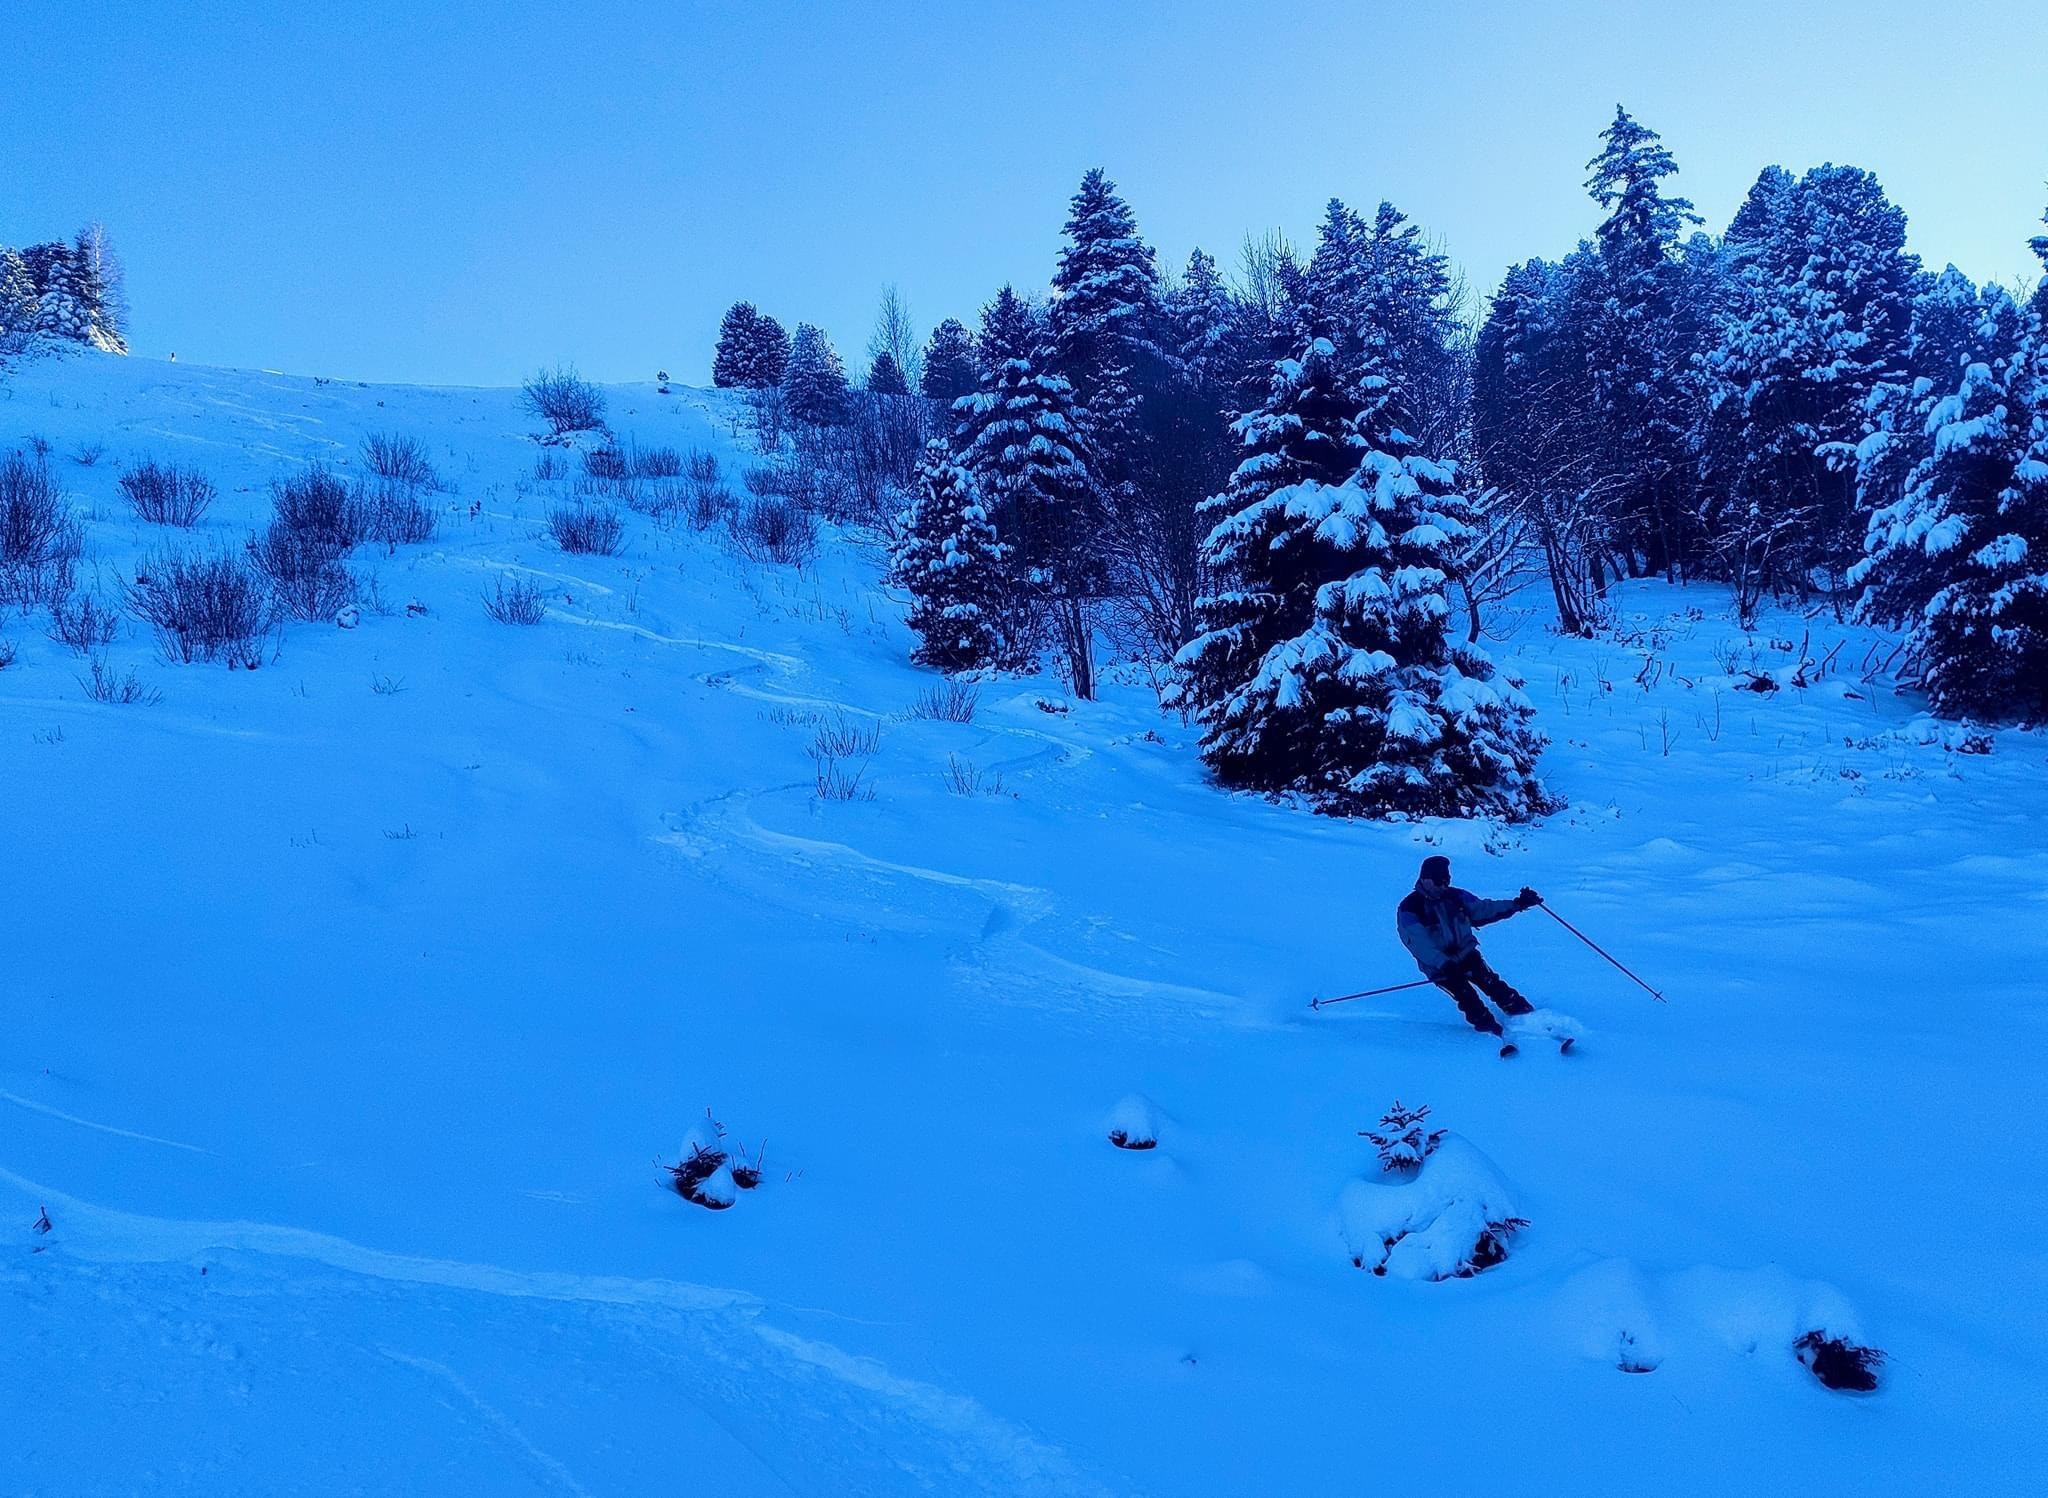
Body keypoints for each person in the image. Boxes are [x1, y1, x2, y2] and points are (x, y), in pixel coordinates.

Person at [1396, 854, 1544, 1054]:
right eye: (1439, 881)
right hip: (1441, 967)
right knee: (1466, 996)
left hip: (1466, 954)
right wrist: (1443, 964)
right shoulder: (1410, 909)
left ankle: (1525, 1014)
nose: (1444, 885)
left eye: (1447, 880)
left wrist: (1517, 904)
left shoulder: (1455, 896)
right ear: (1425, 879)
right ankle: (1489, 1031)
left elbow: (1483, 909)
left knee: (1491, 983)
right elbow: (1418, 944)